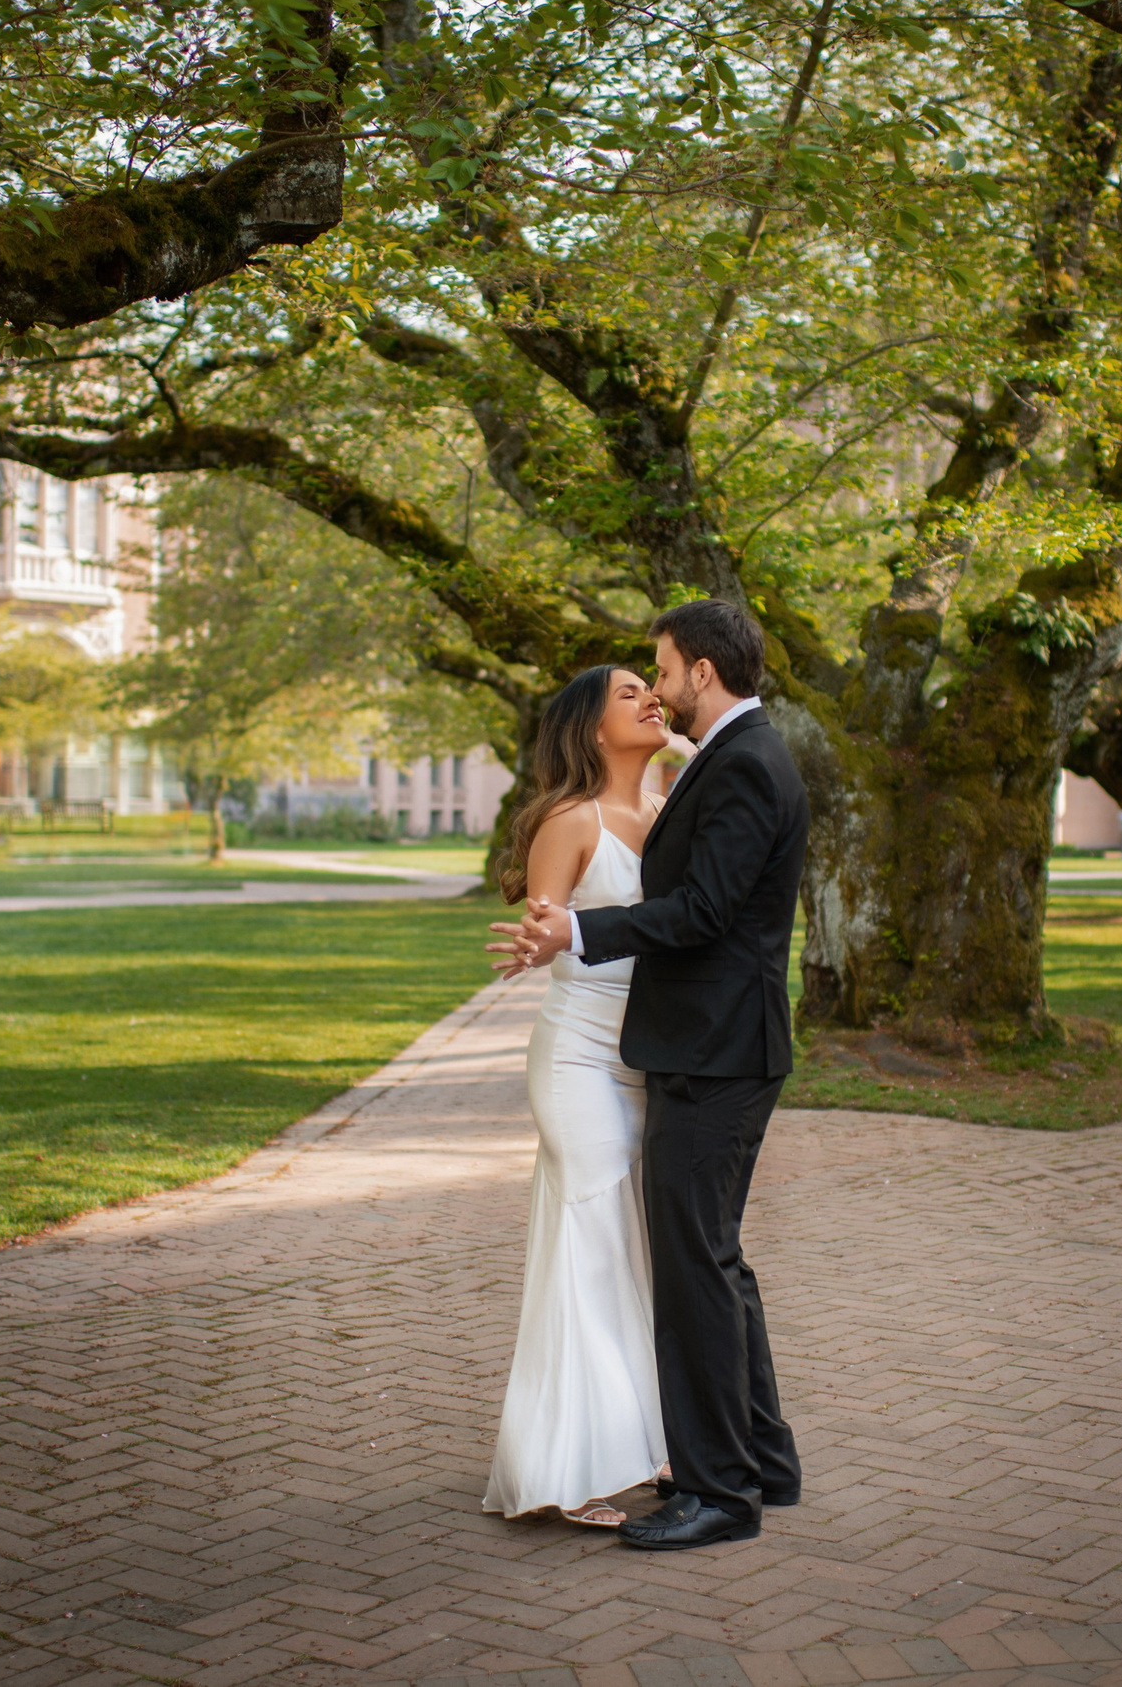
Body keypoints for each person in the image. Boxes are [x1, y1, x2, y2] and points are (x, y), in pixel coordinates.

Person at [494, 599, 808, 1552]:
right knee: (707, 1258)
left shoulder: (739, 762)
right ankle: (759, 1459)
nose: (658, 692)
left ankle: (721, 1490)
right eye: (636, 686)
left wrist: (579, 930)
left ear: (703, 671)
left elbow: (705, 910)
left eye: (662, 671)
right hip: (655, 1048)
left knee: (696, 1265)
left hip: (711, 1050)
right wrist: (556, 933)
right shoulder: (724, 759)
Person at [480, 664, 679, 1527]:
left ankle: (642, 1439)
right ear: (593, 728)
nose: (650, 697)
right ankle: (574, 1467)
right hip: (578, 1062)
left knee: (632, 1253)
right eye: (628, 693)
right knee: (589, 1250)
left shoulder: (667, 808)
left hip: (647, 1063)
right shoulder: (572, 820)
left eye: (651, 685)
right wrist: (536, 942)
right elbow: (547, 922)